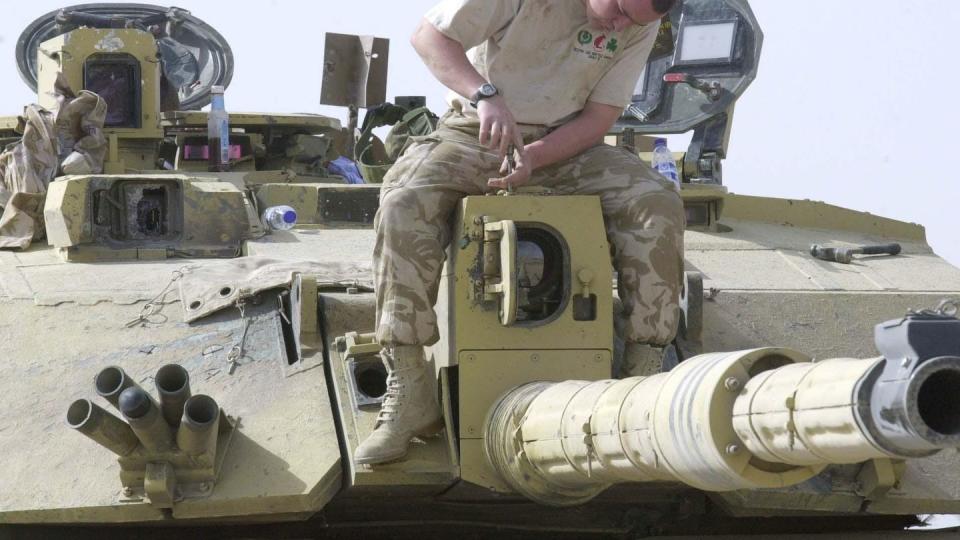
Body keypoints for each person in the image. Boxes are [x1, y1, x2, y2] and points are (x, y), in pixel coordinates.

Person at [356, 0, 685, 465]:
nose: (618, 25)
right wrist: (485, 94)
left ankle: (641, 382)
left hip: (566, 147)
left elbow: (599, 117)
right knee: (403, 201)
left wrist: (535, 157)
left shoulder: (636, 19)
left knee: (657, 204)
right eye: (616, 9)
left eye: (632, 21)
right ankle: (410, 387)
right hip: (474, 134)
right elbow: (429, 38)